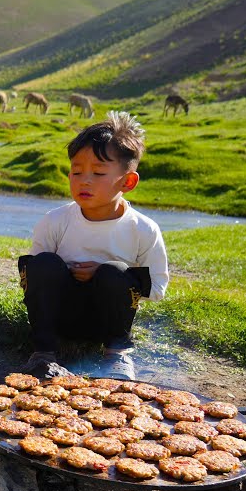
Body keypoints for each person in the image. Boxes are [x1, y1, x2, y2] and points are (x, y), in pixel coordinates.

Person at [18, 111, 168, 381]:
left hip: (107, 323)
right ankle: (43, 352)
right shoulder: (55, 221)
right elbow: (34, 280)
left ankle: (117, 354)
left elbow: (157, 289)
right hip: (59, 320)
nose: (84, 180)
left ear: (128, 181)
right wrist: (64, 272)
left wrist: (105, 273)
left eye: (98, 172)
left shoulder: (143, 229)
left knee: (116, 272)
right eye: (76, 171)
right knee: (41, 263)